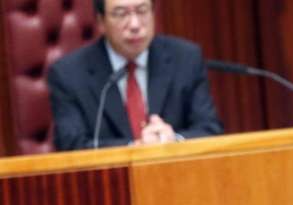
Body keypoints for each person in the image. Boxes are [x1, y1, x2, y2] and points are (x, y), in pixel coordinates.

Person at [48, 0, 223, 150]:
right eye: (120, 14)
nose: (134, 25)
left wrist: (174, 140)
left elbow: (210, 129)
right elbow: (70, 143)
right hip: (109, 183)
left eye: (142, 11)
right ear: (101, 22)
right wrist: (135, 147)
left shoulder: (186, 58)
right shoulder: (68, 74)